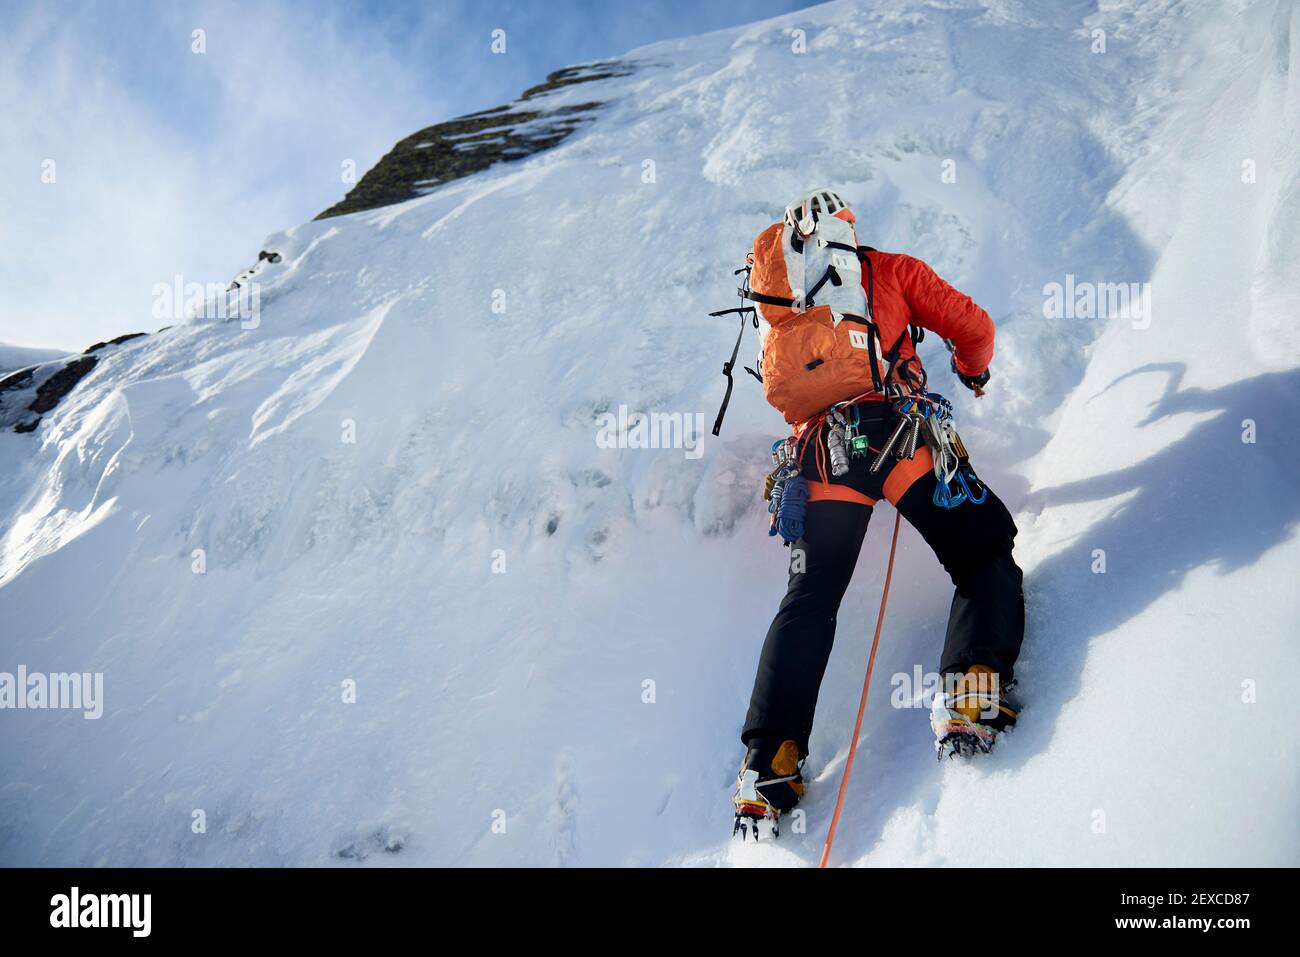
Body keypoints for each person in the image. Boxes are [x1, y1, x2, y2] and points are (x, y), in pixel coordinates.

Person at [732, 189, 1025, 829]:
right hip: (897, 433)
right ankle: (972, 687)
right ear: (846, 231)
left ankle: (768, 766)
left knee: (810, 600)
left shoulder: (783, 300)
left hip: (824, 454)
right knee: (981, 552)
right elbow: (975, 328)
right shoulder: (887, 269)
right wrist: (972, 371)